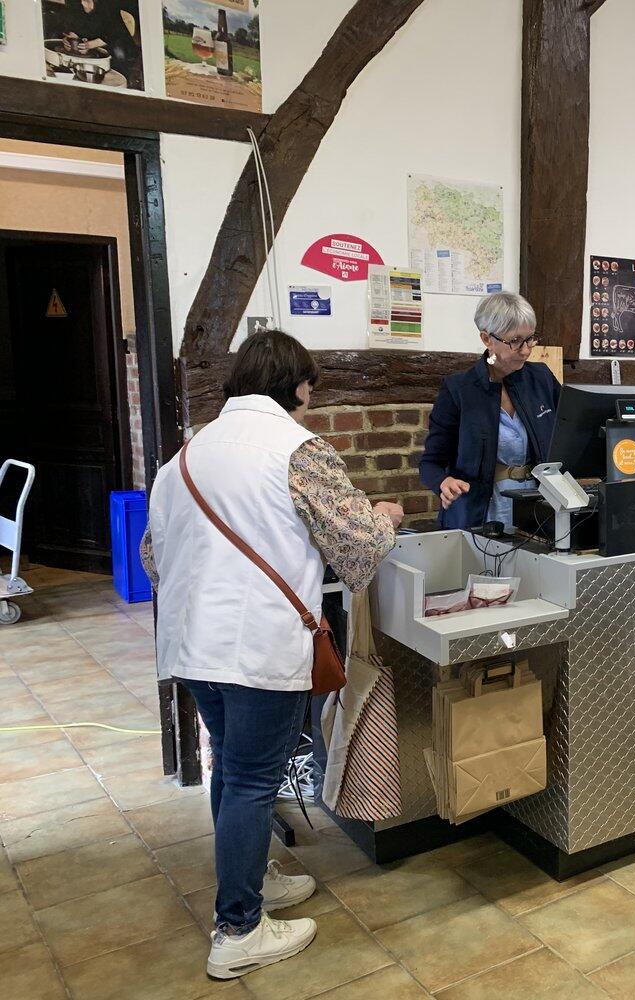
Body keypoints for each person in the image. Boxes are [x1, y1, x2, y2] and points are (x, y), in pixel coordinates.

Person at [140, 330, 402, 979]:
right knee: (254, 780)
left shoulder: (186, 456)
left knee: (232, 768)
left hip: (192, 643)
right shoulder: (298, 450)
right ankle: (238, 928)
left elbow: (152, 556)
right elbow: (359, 548)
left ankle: (250, 879)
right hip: (257, 642)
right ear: (299, 387)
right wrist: (386, 517)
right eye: (311, 387)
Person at [419, 292, 560, 530]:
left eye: (530, 339)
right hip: (479, 515)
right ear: (486, 339)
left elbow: (569, 432)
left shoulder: (542, 378)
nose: (526, 350)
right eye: (515, 341)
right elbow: (430, 463)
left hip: (537, 512)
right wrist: (443, 482)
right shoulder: (459, 390)